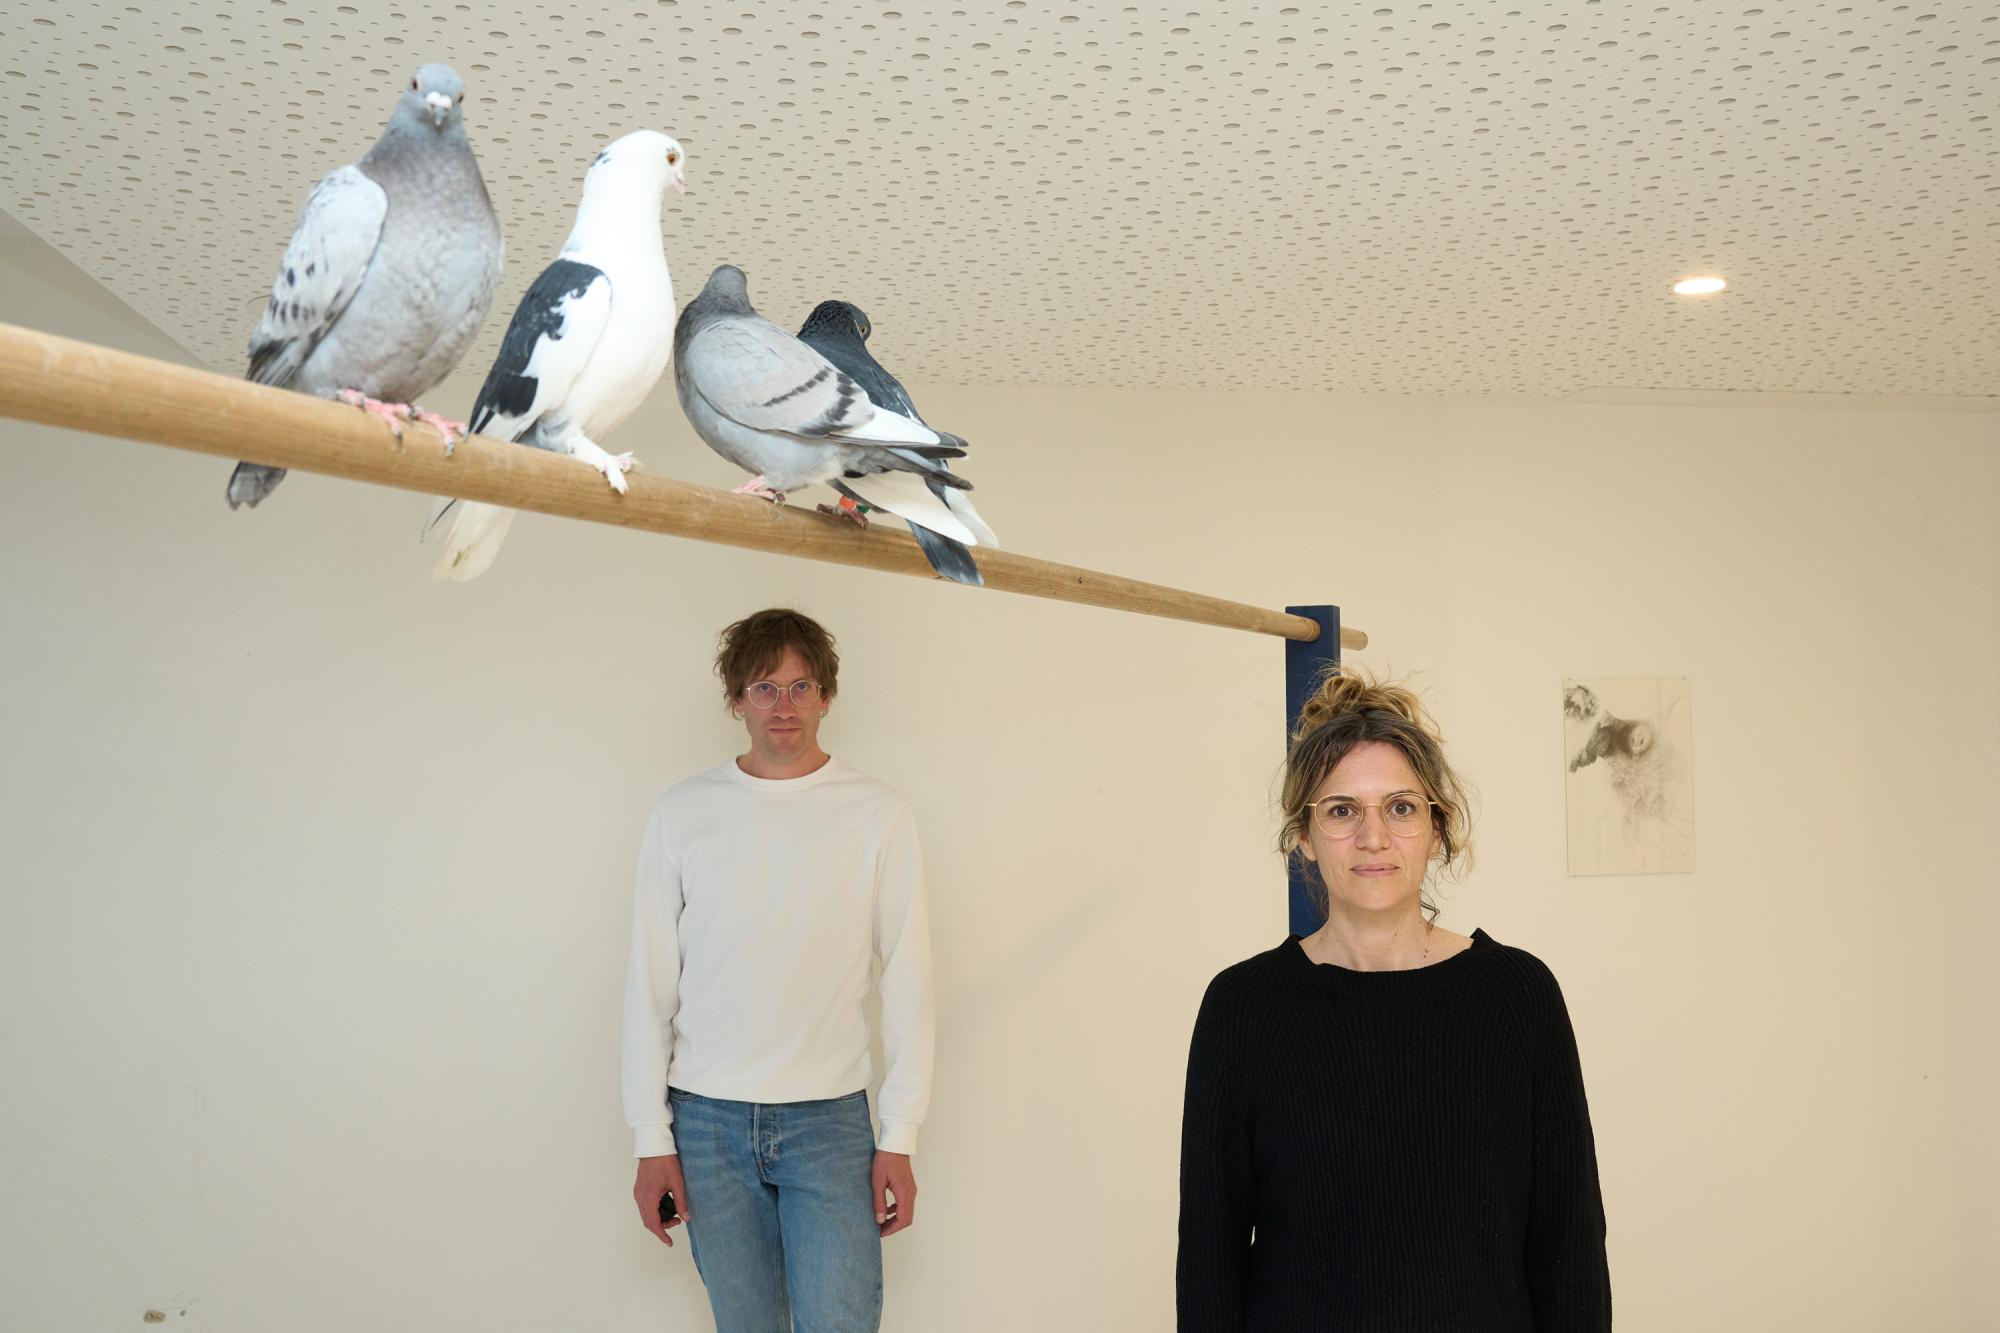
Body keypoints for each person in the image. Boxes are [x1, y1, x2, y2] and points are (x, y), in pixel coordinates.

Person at [1177, 669, 1612, 1331]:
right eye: (1342, 809)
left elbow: (1570, 1247)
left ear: (1437, 828)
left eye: (1401, 807)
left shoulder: (1518, 997)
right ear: (1304, 836)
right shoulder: (1242, 1008)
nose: (1373, 836)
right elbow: (1210, 1260)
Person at [622, 608, 935, 1332]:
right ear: (737, 699)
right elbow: (649, 985)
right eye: (764, 687)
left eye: (800, 687)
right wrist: (650, 1138)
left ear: (827, 695)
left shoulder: (878, 814)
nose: (783, 705)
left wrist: (900, 1134)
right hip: (707, 1122)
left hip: (829, 1121)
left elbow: (910, 981)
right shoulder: (683, 812)